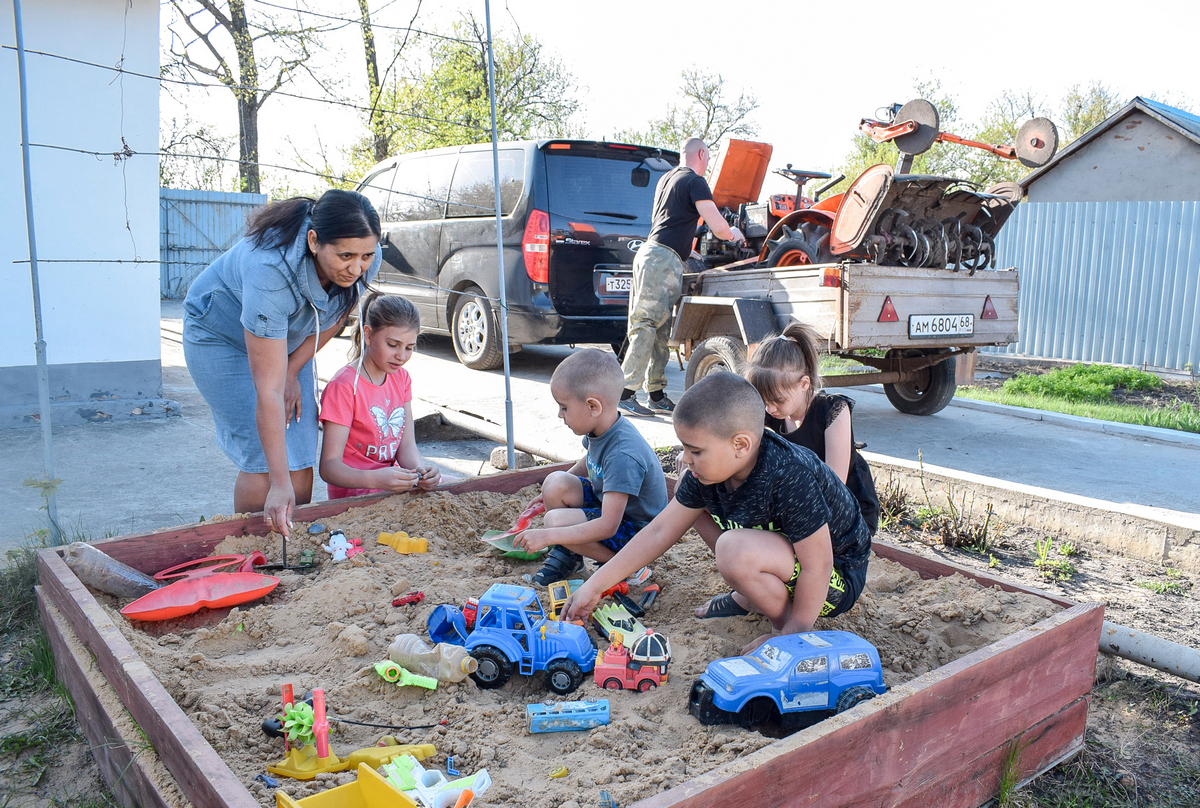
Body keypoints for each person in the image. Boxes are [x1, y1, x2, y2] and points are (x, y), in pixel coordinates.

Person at [563, 372, 871, 654]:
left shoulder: (788, 474)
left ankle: (785, 624)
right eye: (684, 448)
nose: (686, 458)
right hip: (783, 555)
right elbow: (658, 532)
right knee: (690, 498)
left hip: (836, 576)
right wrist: (594, 586)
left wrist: (790, 635)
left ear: (740, 445)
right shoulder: (706, 473)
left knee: (733, 550)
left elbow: (818, 565)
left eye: (695, 451)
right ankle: (752, 594)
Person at [183, 190, 382, 537]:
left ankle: (290, 542)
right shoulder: (269, 270)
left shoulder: (366, 255)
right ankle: (252, 544)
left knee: (301, 456)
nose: (356, 267)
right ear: (314, 241)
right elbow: (269, 391)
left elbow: (338, 312)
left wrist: (293, 369)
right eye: (346, 255)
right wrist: (278, 483)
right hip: (220, 337)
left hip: (285, 340)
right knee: (265, 464)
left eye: (365, 256)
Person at [513, 349, 667, 586]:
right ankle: (569, 556)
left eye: (564, 407)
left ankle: (628, 568)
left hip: (637, 534)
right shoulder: (603, 427)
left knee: (554, 522)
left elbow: (608, 525)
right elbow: (590, 459)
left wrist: (547, 536)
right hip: (612, 509)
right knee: (555, 482)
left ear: (593, 406)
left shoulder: (622, 454)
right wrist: (548, 494)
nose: (559, 415)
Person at [619, 138, 744, 416]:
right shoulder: (695, 181)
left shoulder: (666, 179)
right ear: (701, 153)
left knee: (661, 330)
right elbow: (717, 225)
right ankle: (626, 392)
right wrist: (734, 234)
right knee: (647, 324)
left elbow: (668, 221)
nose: (708, 163)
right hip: (661, 260)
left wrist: (688, 252)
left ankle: (656, 393)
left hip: (654, 255)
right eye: (708, 157)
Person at [744, 323, 880, 536]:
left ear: (804, 384)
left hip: (844, 513)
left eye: (778, 400)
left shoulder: (833, 410)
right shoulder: (770, 412)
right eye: (763, 400)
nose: (769, 408)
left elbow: (835, 488)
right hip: (795, 507)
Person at [318, 293, 441, 499]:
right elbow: (329, 468)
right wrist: (376, 479)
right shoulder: (344, 386)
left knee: (461, 486)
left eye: (409, 347)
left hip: (391, 484)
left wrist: (423, 472)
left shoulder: (401, 378)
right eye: (393, 345)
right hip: (356, 493)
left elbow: (407, 446)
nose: (401, 356)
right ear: (368, 335)